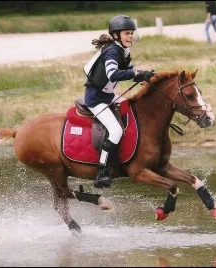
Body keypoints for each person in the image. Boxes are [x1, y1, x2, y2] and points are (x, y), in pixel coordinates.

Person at [83, 14, 152, 188]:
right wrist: (135, 74)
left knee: (131, 112)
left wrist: (143, 75)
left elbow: (128, 71)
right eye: (127, 33)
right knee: (115, 131)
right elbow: (113, 74)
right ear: (116, 35)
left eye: (132, 33)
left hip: (108, 95)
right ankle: (102, 169)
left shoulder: (123, 50)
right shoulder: (113, 51)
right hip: (96, 98)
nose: (131, 36)